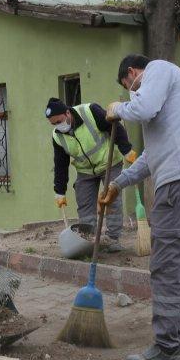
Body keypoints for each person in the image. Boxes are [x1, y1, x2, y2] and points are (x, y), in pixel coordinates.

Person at [99, 54, 180, 360]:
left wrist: (117, 109)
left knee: (165, 270)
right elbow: (152, 156)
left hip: (177, 188)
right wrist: (118, 184)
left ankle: (166, 348)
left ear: (134, 73)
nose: (131, 92)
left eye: (128, 86)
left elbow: (142, 108)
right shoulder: (172, 103)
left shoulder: (159, 70)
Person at [45, 97, 137, 252]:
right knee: (85, 204)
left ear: (68, 113)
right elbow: (60, 165)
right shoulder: (57, 136)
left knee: (112, 198)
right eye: (53, 124)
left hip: (109, 163)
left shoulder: (90, 112)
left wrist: (126, 149)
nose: (57, 126)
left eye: (58, 121)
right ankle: (90, 240)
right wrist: (59, 191)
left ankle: (113, 239)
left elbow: (114, 127)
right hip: (85, 170)